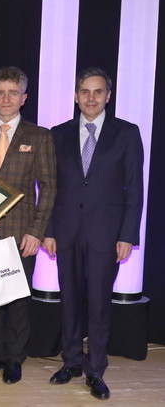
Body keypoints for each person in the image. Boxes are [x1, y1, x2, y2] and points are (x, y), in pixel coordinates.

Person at [43, 67, 143, 401]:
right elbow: (50, 188)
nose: (91, 98)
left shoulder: (126, 133)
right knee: (69, 302)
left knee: (99, 305)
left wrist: (127, 235)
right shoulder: (58, 134)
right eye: (85, 91)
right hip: (66, 232)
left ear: (108, 96)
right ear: (76, 96)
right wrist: (49, 231)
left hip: (106, 234)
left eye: (98, 92)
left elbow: (135, 189)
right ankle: (71, 361)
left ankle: (96, 370)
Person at [0, 66, 56, 384]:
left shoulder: (39, 136)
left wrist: (37, 231)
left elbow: (49, 187)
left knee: (18, 299)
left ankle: (16, 358)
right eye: (0, 93)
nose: (6, 99)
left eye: (13, 93)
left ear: (23, 98)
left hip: (22, 233)